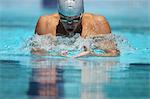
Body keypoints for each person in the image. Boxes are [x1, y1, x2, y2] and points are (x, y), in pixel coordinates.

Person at [32, 0, 120, 57]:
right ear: (58, 14)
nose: (70, 24)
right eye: (64, 19)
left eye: (75, 19)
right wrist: (55, 55)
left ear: (82, 15)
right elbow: (35, 54)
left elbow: (114, 54)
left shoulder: (98, 24)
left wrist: (93, 55)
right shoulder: (46, 24)